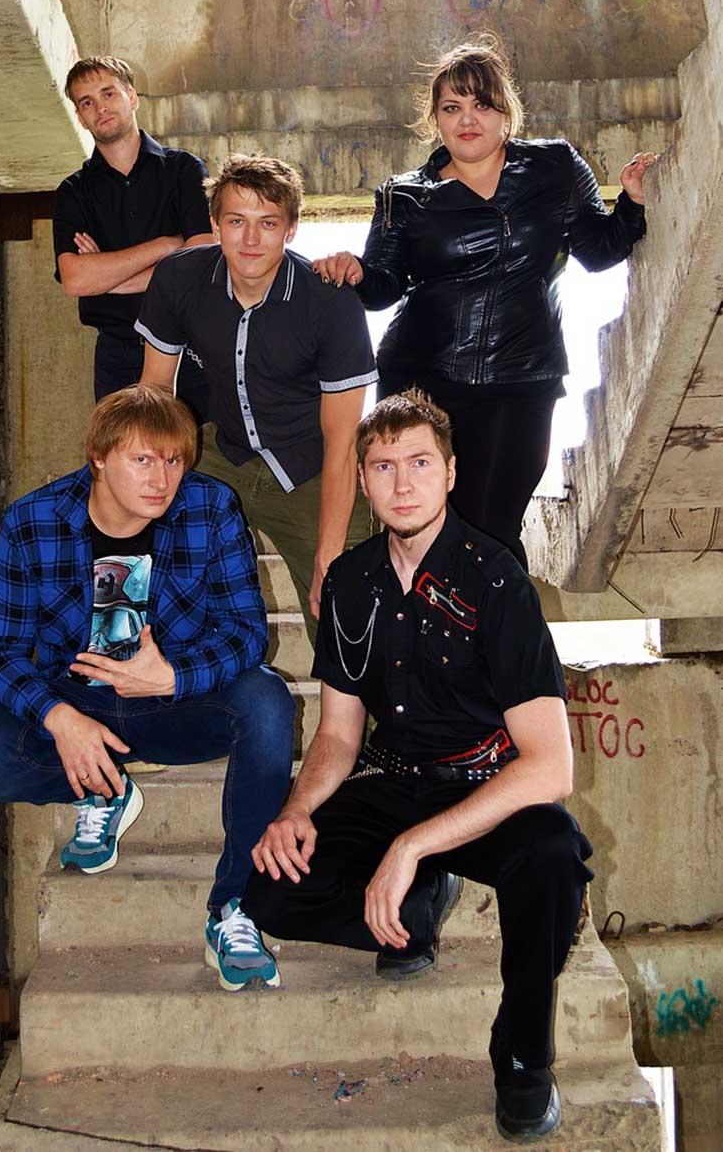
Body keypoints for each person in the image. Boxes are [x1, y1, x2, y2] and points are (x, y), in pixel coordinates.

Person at [243, 390, 593, 1140]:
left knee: (554, 860)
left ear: (451, 473)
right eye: (384, 466)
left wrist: (410, 848)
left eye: (420, 463)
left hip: (484, 786)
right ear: (363, 480)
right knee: (270, 893)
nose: (403, 483)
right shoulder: (349, 582)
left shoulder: (497, 581)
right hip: (393, 779)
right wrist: (296, 810)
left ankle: (523, 1057)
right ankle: (417, 908)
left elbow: (550, 768)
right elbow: (339, 735)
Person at [0, 384, 295, 992]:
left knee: (266, 699)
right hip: (79, 701)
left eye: (173, 460)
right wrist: (60, 717)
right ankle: (103, 788)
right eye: (142, 459)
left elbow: (246, 633)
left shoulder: (212, 507)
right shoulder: (33, 522)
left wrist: (174, 677)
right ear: (98, 457)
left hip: (174, 703)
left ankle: (235, 907)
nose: (162, 479)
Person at [314, 39, 655, 568]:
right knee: (421, 529)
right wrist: (355, 272)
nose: (467, 119)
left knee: (494, 531)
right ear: (435, 119)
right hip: (421, 382)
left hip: (522, 381)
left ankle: (501, 624)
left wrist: (631, 201)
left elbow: (599, 250)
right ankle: (424, 620)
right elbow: (383, 287)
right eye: (452, 107)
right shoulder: (402, 194)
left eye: (482, 104)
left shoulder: (556, 167)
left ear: (506, 112)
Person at [136, 153, 378, 638]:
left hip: (311, 465)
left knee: (346, 612)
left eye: (267, 223)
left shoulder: (330, 300)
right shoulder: (179, 278)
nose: (250, 239)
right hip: (223, 453)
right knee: (146, 560)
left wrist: (328, 556)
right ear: (214, 224)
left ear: (291, 229)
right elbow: (154, 396)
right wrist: (141, 497)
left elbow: (342, 441)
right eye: (236, 221)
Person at [54, 56, 213, 410]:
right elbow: (75, 280)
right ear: (80, 117)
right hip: (117, 354)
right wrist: (167, 246)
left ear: (132, 96)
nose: (100, 108)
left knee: (199, 447)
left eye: (108, 93)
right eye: (87, 102)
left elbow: (202, 263)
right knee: (120, 447)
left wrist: (106, 277)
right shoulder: (73, 192)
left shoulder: (184, 170)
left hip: (189, 347)